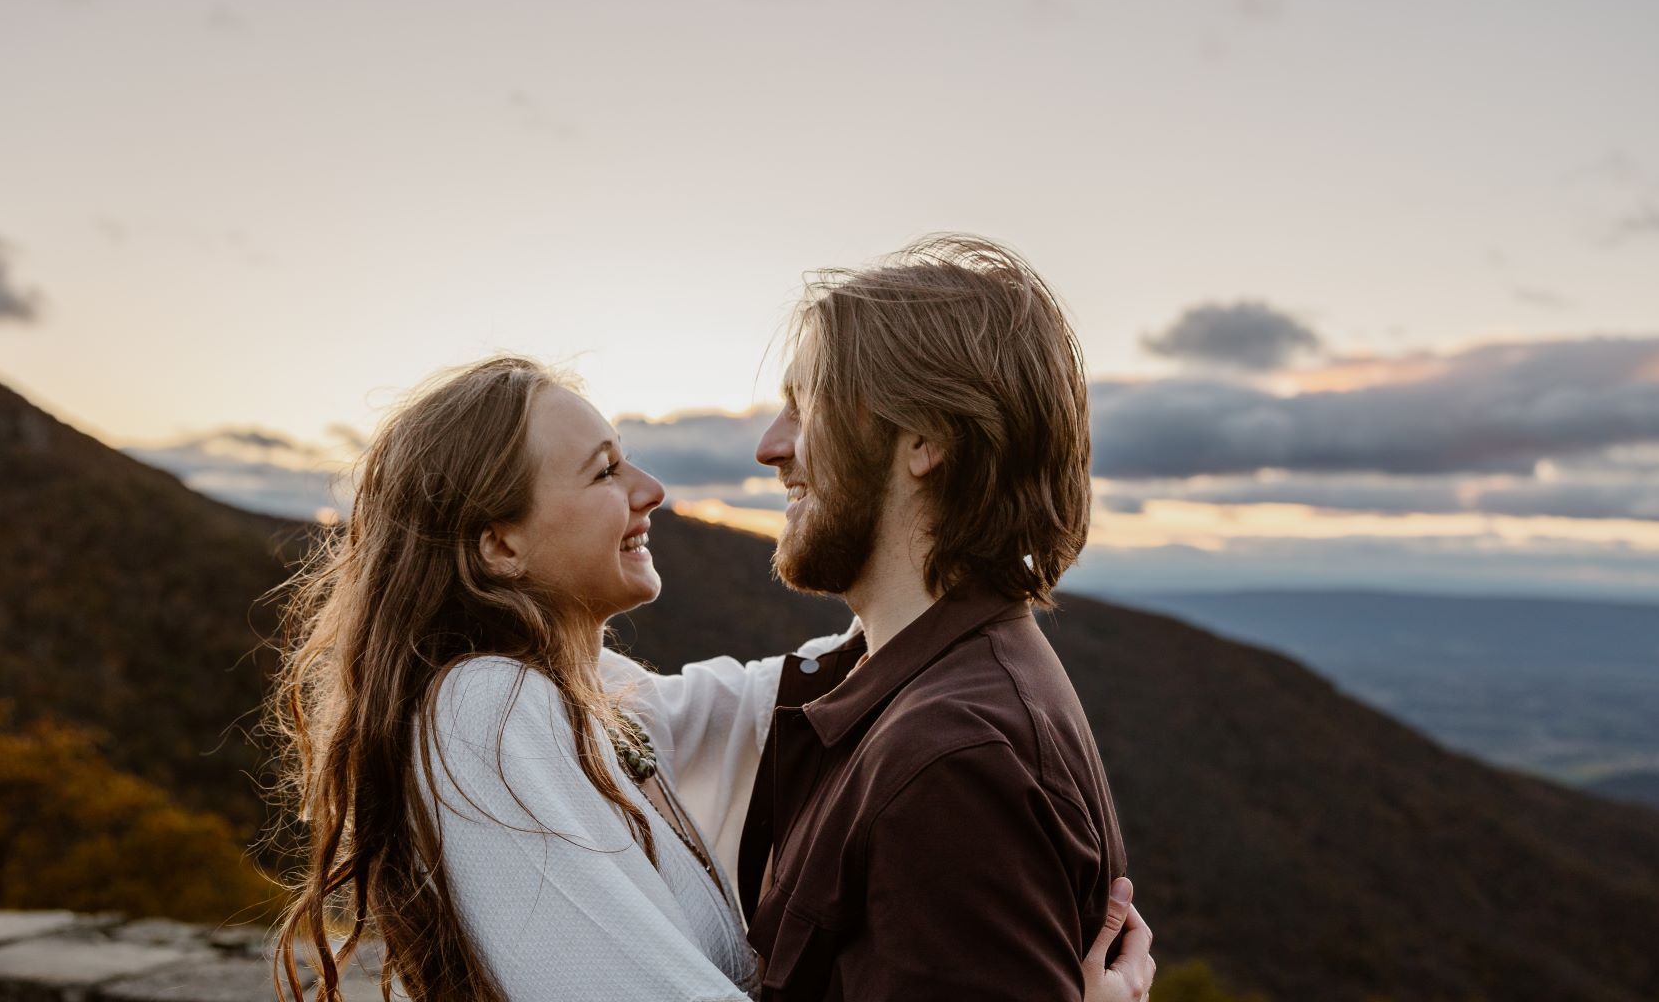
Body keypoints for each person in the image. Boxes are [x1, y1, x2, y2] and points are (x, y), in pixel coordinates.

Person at [269, 353, 1153, 1001]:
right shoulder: (486, 711)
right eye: (606, 471)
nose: (651, 489)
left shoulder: (578, 701)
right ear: (499, 546)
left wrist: (924, 560)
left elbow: (780, 690)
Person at [628, 235, 1137, 1001]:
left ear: (925, 436)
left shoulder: (952, 761)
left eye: (806, 405)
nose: (771, 447)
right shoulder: (899, 693)